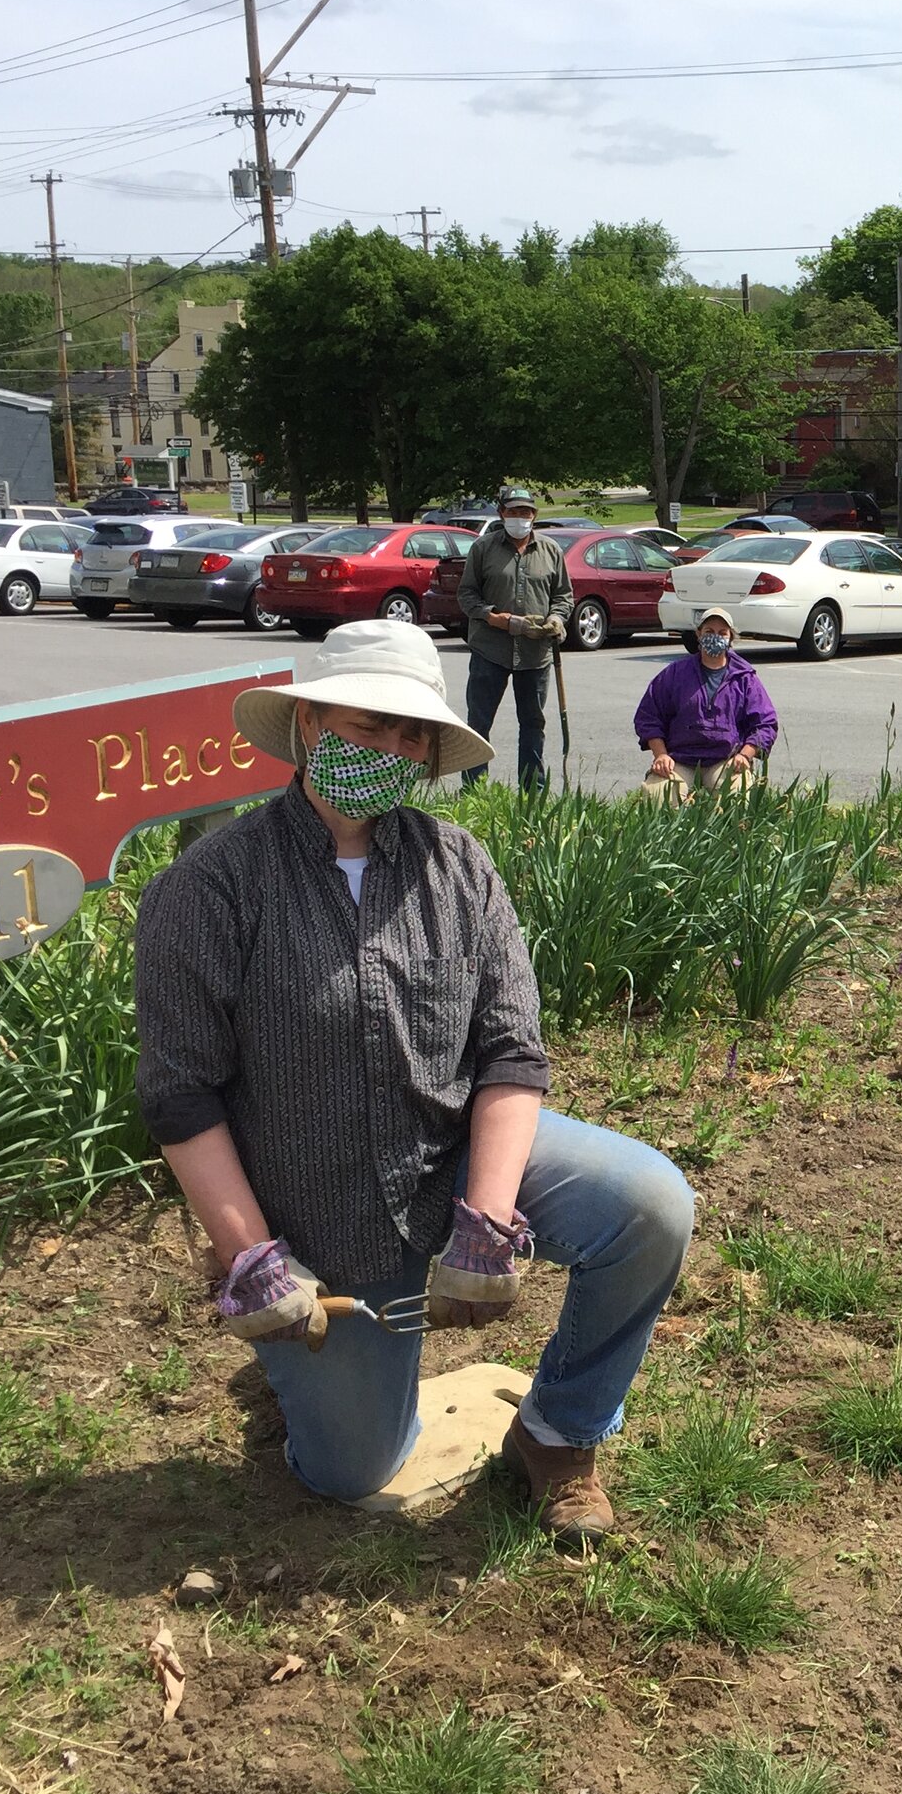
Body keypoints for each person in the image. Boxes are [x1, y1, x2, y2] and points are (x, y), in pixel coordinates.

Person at [134, 620, 695, 1536]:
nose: (393, 749)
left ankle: (559, 1431)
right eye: (370, 725)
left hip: (450, 1155)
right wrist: (247, 1253)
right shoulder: (212, 886)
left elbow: (512, 1052)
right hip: (318, 1213)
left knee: (649, 1205)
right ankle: (302, 1373)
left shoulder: (457, 867)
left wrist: (483, 1224)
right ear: (311, 724)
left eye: (411, 735)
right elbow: (180, 1091)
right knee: (351, 1470)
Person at [457, 486, 571, 791]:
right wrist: (492, 616)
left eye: (525, 512)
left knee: (533, 724)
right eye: (513, 512)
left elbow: (563, 596)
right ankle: (474, 792)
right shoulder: (483, 549)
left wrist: (557, 619)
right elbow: (466, 594)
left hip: (535, 654)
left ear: (534, 515)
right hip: (489, 650)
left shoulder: (550, 552)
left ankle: (532, 795)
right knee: (479, 725)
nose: (519, 518)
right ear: (501, 513)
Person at [634, 606, 779, 802]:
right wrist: (660, 755)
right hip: (679, 759)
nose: (715, 637)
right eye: (709, 631)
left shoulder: (745, 678)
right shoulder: (675, 674)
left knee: (737, 798)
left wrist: (745, 755)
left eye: (722, 633)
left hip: (725, 760)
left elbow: (765, 723)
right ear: (698, 634)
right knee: (658, 796)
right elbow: (649, 716)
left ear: (730, 638)